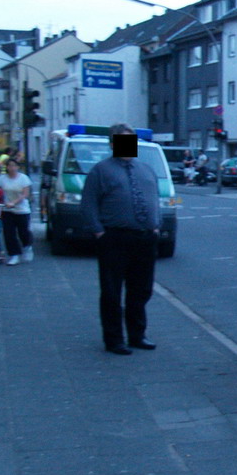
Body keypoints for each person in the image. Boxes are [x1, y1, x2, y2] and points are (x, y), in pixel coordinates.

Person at [81, 124, 161, 356]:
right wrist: (99, 232)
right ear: (113, 144)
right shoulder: (101, 171)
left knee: (141, 289)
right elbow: (88, 204)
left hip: (145, 238)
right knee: (112, 291)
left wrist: (156, 226)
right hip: (114, 238)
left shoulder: (146, 169)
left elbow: (155, 198)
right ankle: (114, 339)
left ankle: (137, 334)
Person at [0, 158, 33, 265]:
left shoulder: (23, 178)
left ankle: (27, 246)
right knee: (9, 233)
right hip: (7, 210)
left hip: (22, 210)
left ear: (17, 167)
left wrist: (14, 202)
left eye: (14, 165)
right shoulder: (2, 179)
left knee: (23, 232)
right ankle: (14, 255)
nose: (12, 168)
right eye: (9, 166)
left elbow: (25, 194)